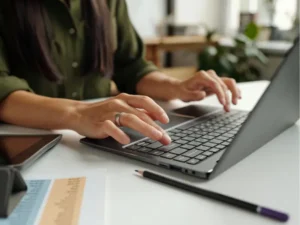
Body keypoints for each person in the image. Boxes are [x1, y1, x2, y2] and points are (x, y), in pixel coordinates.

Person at [0, 0, 241, 146]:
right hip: (27, 142)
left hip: (103, 140)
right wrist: (78, 113)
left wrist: (175, 87)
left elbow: (131, 66)